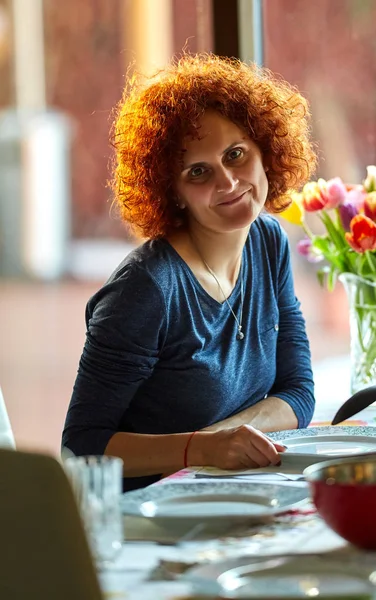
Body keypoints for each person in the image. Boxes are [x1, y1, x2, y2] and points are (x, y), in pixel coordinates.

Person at [62, 53, 317, 491]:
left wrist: (229, 442)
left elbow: (298, 392)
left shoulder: (268, 241)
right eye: (198, 171)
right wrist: (203, 448)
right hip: (146, 521)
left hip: (232, 495)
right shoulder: (146, 290)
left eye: (235, 154)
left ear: (264, 150)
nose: (228, 182)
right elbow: (81, 447)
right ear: (173, 192)